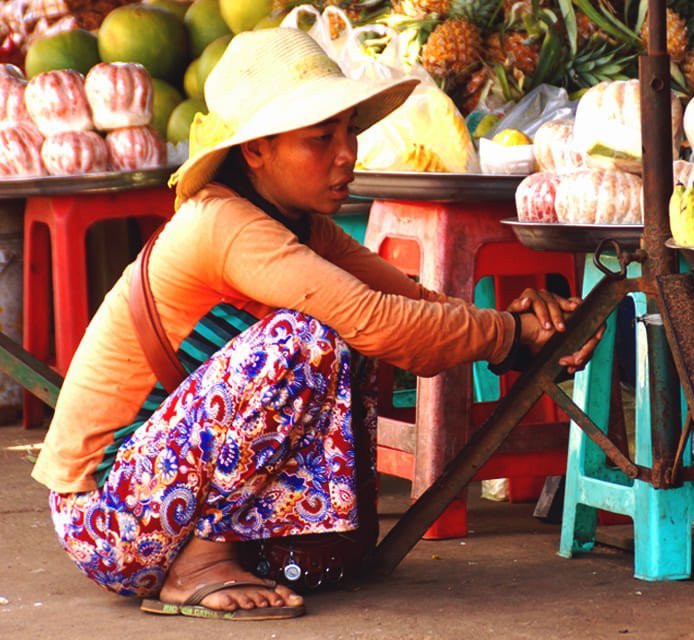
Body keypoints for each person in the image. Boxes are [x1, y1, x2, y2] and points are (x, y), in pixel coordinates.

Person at [30, 28, 600, 621]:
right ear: (256, 151)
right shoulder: (224, 224)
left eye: (349, 131)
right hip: (106, 519)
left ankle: (214, 550)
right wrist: (509, 335)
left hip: (158, 503)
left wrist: (512, 327)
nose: (347, 152)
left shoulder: (300, 225)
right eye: (320, 138)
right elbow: (376, 322)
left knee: (339, 340)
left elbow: (409, 302)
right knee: (307, 343)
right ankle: (197, 566)